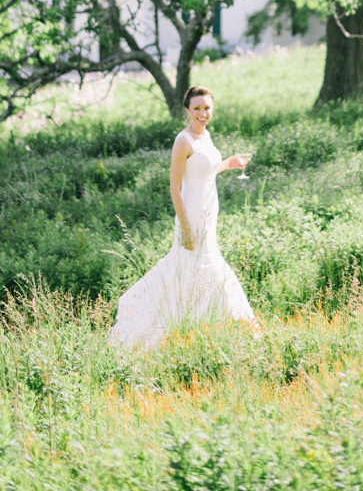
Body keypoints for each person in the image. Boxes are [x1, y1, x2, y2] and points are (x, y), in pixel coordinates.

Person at [108, 85, 255, 348]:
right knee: (202, 269)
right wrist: (185, 228)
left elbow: (204, 173)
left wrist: (228, 163)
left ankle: (200, 329)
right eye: (196, 108)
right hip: (191, 217)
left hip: (209, 216)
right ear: (187, 110)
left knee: (196, 272)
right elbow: (174, 187)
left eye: (206, 108)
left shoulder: (206, 136)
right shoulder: (183, 140)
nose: (202, 113)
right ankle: (238, 328)